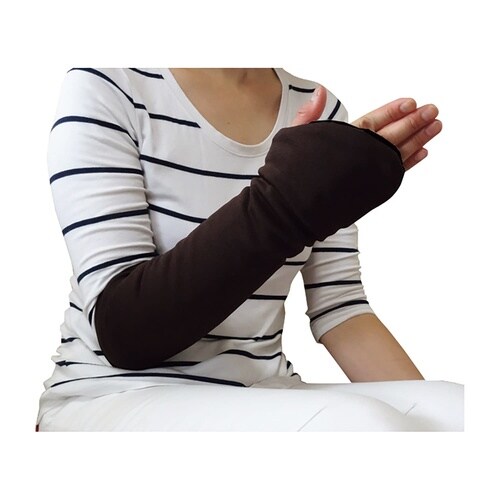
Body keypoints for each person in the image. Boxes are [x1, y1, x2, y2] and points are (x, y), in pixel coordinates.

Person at [36, 67, 463, 431]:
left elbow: (341, 307)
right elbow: (125, 332)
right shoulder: (108, 85)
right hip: (112, 393)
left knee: (463, 413)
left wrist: (432, 418)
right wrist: (286, 199)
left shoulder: (320, 107)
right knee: (361, 427)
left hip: (261, 390)